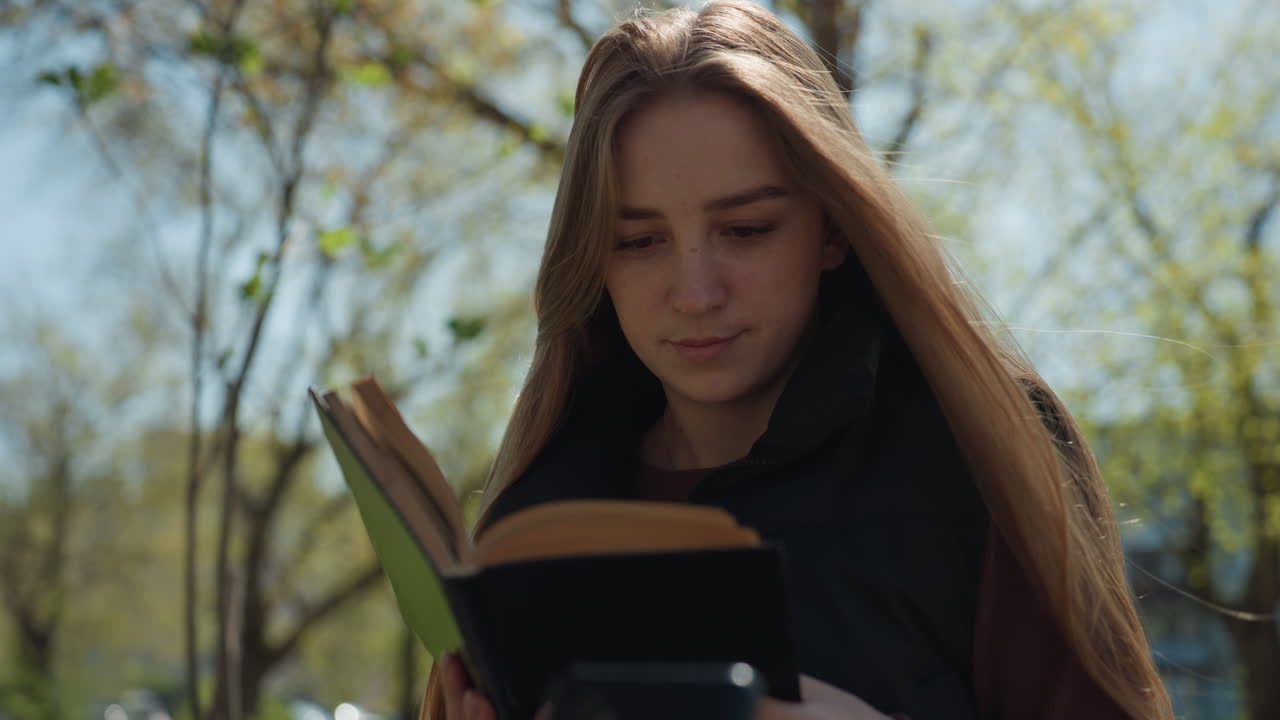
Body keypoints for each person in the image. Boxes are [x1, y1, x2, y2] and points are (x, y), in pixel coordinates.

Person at [421, 1, 1174, 718]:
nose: (696, 292)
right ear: (592, 263)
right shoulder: (535, 521)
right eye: (639, 241)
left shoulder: (987, 446)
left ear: (833, 229)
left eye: (746, 229)